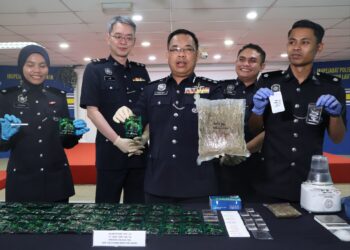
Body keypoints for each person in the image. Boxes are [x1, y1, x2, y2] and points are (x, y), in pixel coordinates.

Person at [113, 29, 224, 204]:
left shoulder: (212, 90)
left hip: (199, 185)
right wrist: (125, 117)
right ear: (167, 54)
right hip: (158, 185)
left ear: (196, 54)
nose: (181, 55)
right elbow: (133, 131)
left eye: (188, 49)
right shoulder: (151, 90)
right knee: (158, 232)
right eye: (175, 49)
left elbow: (222, 133)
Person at [249, 19, 347, 202]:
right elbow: (256, 129)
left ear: (319, 47)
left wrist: (335, 115)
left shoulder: (331, 87)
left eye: (305, 42)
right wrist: (257, 110)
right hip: (269, 178)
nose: (296, 47)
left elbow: (337, 137)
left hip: (310, 180)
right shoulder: (270, 82)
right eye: (292, 42)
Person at [0, 45, 89, 202]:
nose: (37, 70)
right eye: (30, 64)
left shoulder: (58, 97)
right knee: (22, 227)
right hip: (22, 181)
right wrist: (3, 136)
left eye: (42, 65)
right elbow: (2, 146)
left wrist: (73, 134)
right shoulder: (7, 98)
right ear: (21, 67)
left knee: (59, 227)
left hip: (56, 180)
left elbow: (66, 143)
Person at [80, 16, 150, 203]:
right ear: (108, 38)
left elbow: (150, 110)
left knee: (137, 211)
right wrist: (118, 141)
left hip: (138, 154)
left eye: (128, 37)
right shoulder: (95, 70)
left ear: (134, 41)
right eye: (118, 36)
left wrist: (144, 137)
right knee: (106, 209)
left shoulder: (140, 71)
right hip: (110, 153)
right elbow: (92, 111)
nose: (123, 41)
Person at [216, 43, 265, 200]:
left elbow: (276, 129)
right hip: (222, 162)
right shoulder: (220, 88)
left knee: (252, 209)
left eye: (252, 60)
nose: (245, 64)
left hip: (255, 163)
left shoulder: (269, 92)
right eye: (241, 59)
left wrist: (244, 150)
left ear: (262, 65)